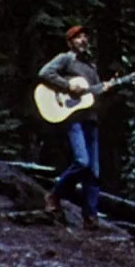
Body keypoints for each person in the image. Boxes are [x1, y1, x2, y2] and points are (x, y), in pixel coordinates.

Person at [38, 25, 103, 229]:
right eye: (78, 37)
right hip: (74, 118)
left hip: (91, 119)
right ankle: (54, 195)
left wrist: (110, 87)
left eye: (85, 36)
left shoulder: (91, 67)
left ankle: (90, 217)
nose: (83, 40)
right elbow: (45, 72)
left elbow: (94, 93)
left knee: (93, 172)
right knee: (82, 161)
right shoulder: (66, 59)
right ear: (70, 42)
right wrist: (68, 86)